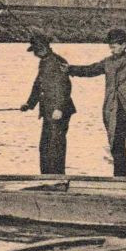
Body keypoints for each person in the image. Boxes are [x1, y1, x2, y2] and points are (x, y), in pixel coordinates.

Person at [69, 28, 126, 177]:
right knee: (117, 149)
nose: (112, 49)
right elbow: (90, 70)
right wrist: (70, 69)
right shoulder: (107, 62)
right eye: (110, 46)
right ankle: (119, 182)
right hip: (114, 113)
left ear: (124, 44)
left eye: (114, 46)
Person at [19, 31, 76, 175]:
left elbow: (64, 87)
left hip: (58, 112)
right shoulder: (44, 62)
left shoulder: (58, 61)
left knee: (55, 147)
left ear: (43, 48)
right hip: (48, 111)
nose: (35, 54)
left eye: (36, 50)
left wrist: (59, 108)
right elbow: (38, 85)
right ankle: (46, 176)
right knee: (45, 146)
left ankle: (56, 178)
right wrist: (29, 104)